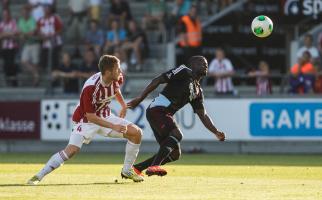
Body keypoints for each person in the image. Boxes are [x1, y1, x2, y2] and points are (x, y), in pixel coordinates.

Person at [27, 55, 144, 185]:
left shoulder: (117, 78)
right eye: (117, 69)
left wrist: (123, 105)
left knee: (136, 133)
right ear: (108, 72)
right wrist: (113, 126)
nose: (120, 71)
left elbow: (115, 90)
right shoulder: (90, 87)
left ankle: (127, 170)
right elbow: (91, 116)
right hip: (85, 120)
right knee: (71, 151)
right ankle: (38, 176)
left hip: (105, 116)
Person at [127, 55, 225, 177]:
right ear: (192, 65)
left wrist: (215, 132)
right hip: (157, 109)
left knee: (174, 154)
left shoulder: (198, 90)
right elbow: (158, 80)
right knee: (177, 134)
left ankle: (137, 168)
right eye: (201, 62)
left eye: (206, 63)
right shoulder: (184, 71)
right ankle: (154, 166)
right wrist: (140, 98)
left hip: (164, 114)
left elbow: (203, 114)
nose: (205, 65)